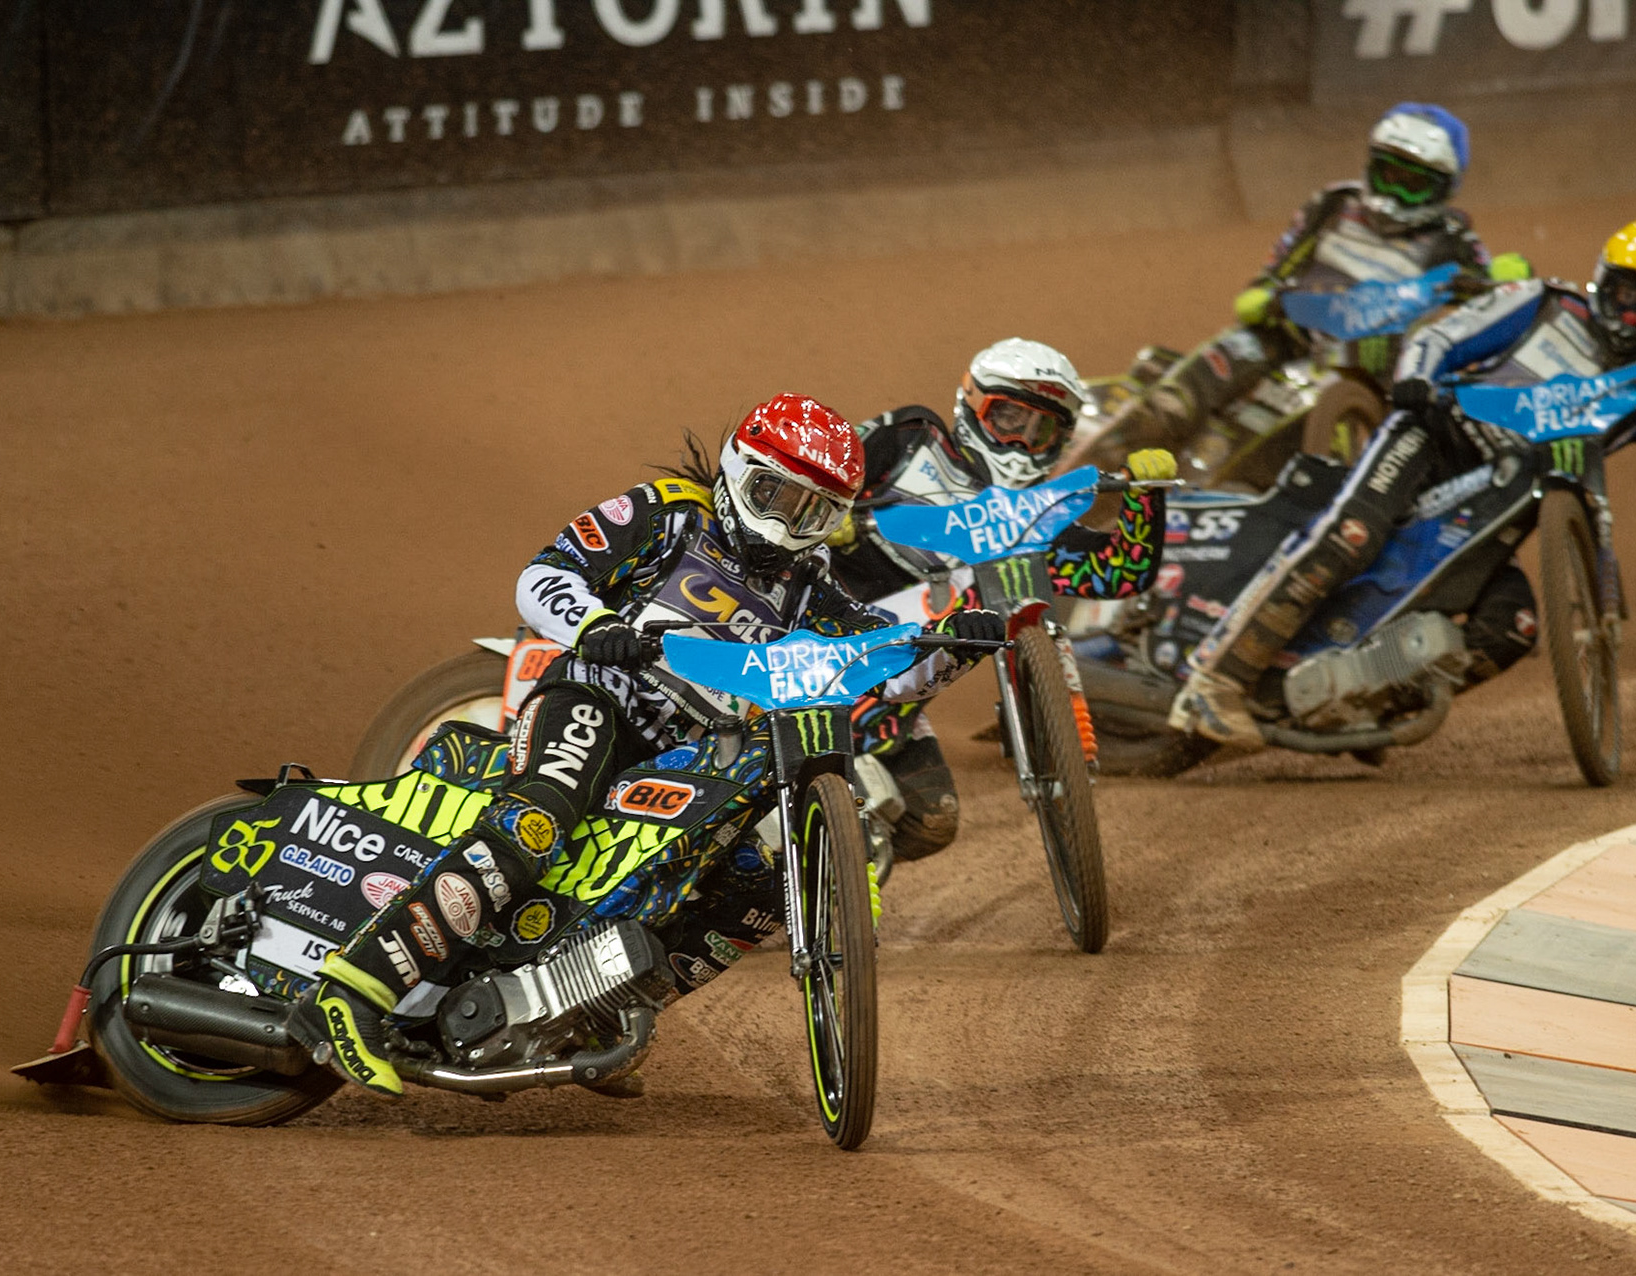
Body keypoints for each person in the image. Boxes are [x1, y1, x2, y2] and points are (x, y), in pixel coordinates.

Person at [292, 393, 1005, 1097]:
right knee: (538, 819)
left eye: (812, 512)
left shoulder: (810, 584)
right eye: (775, 496)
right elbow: (544, 576)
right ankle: (353, 989)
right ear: (739, 470)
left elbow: (882, 667)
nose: (786, 526)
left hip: (688, 756)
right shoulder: (668, 514)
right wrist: (594, 625)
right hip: (595, 702)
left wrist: (950, 648)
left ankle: (592, 1015)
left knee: (753, 884)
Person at [1169, 217, 1636, 751]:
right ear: (1603, 282)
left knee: (1513, 627)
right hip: (1433, 437)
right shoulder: (1543, 303)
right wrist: (1416, 381)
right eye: (1626, 297)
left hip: (1495, 506)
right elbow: (1442, 338)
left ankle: (1366, 705)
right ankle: (1216, 681)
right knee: (1350, 533)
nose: (1634, 318)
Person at [827, 338, 1173, 860]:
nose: (1021, 441)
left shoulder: (1033, 517)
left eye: (1041, 430)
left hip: (891, 706)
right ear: (973, 406)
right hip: (823, 640)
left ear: (1062, 440)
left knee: (929, 822)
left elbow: (1116, 574)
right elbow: (815, 472)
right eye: (1009, 418)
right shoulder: (909, 438)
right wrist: (833, 514)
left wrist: (1146, 499)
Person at [1106, 102, 1528, 462]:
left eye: (1414, 185)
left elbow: (1489, 303)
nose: (1396, 194)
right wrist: (1266, 296)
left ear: (1443, 189)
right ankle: (1122, 446)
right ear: (1371, 165)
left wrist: (1506, 279)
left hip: (1371, 366)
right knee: (1214, 366)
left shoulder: (1454, 241)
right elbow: (1274, 274)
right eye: (1389, 174)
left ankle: (1315, 473)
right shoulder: (1333, 204)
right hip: (1292, 332)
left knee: (1340, 414)